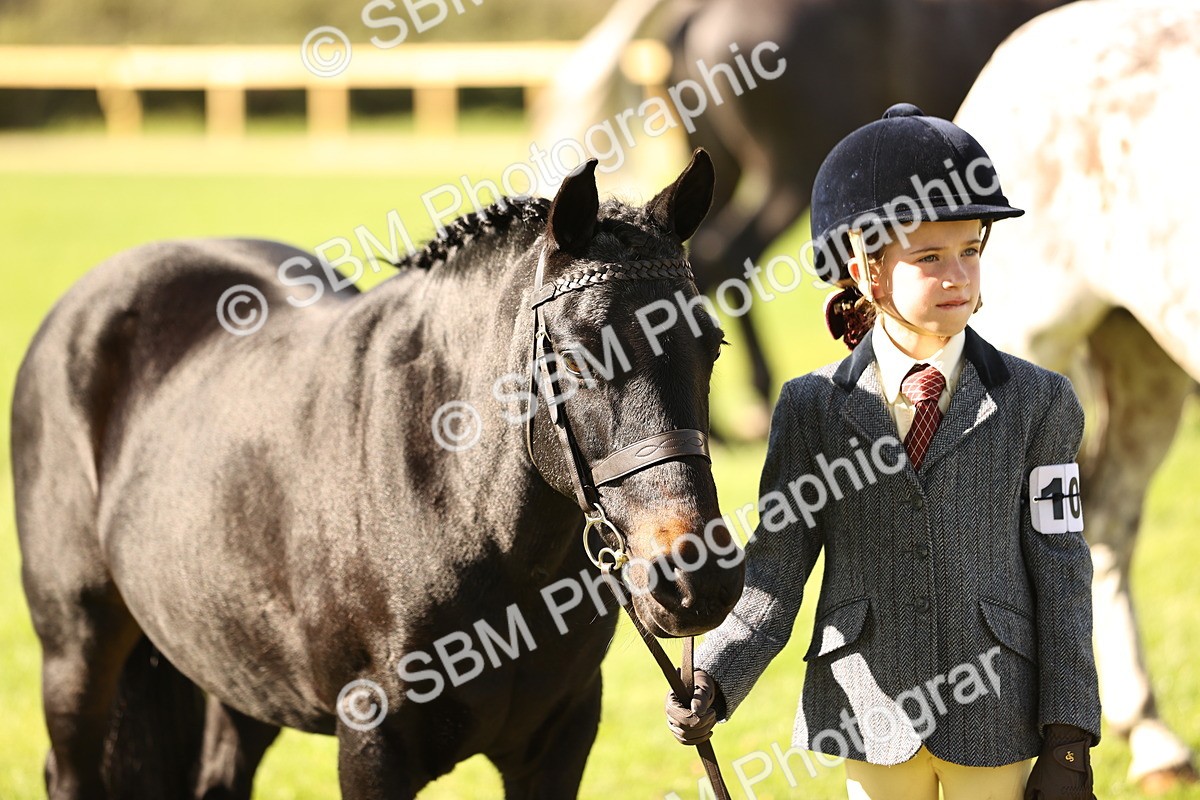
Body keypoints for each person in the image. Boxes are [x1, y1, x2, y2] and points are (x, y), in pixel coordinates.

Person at [666, 104, 1101, 800]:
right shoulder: (809, 410)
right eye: (929, 257)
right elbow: (776, 573)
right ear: (864, 268)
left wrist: (1070, 737)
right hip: (866, 709)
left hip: (997, 711)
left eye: (971, 250)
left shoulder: (1041, 401)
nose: (959, 274)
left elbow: (1062, 573)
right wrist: (715, 676)